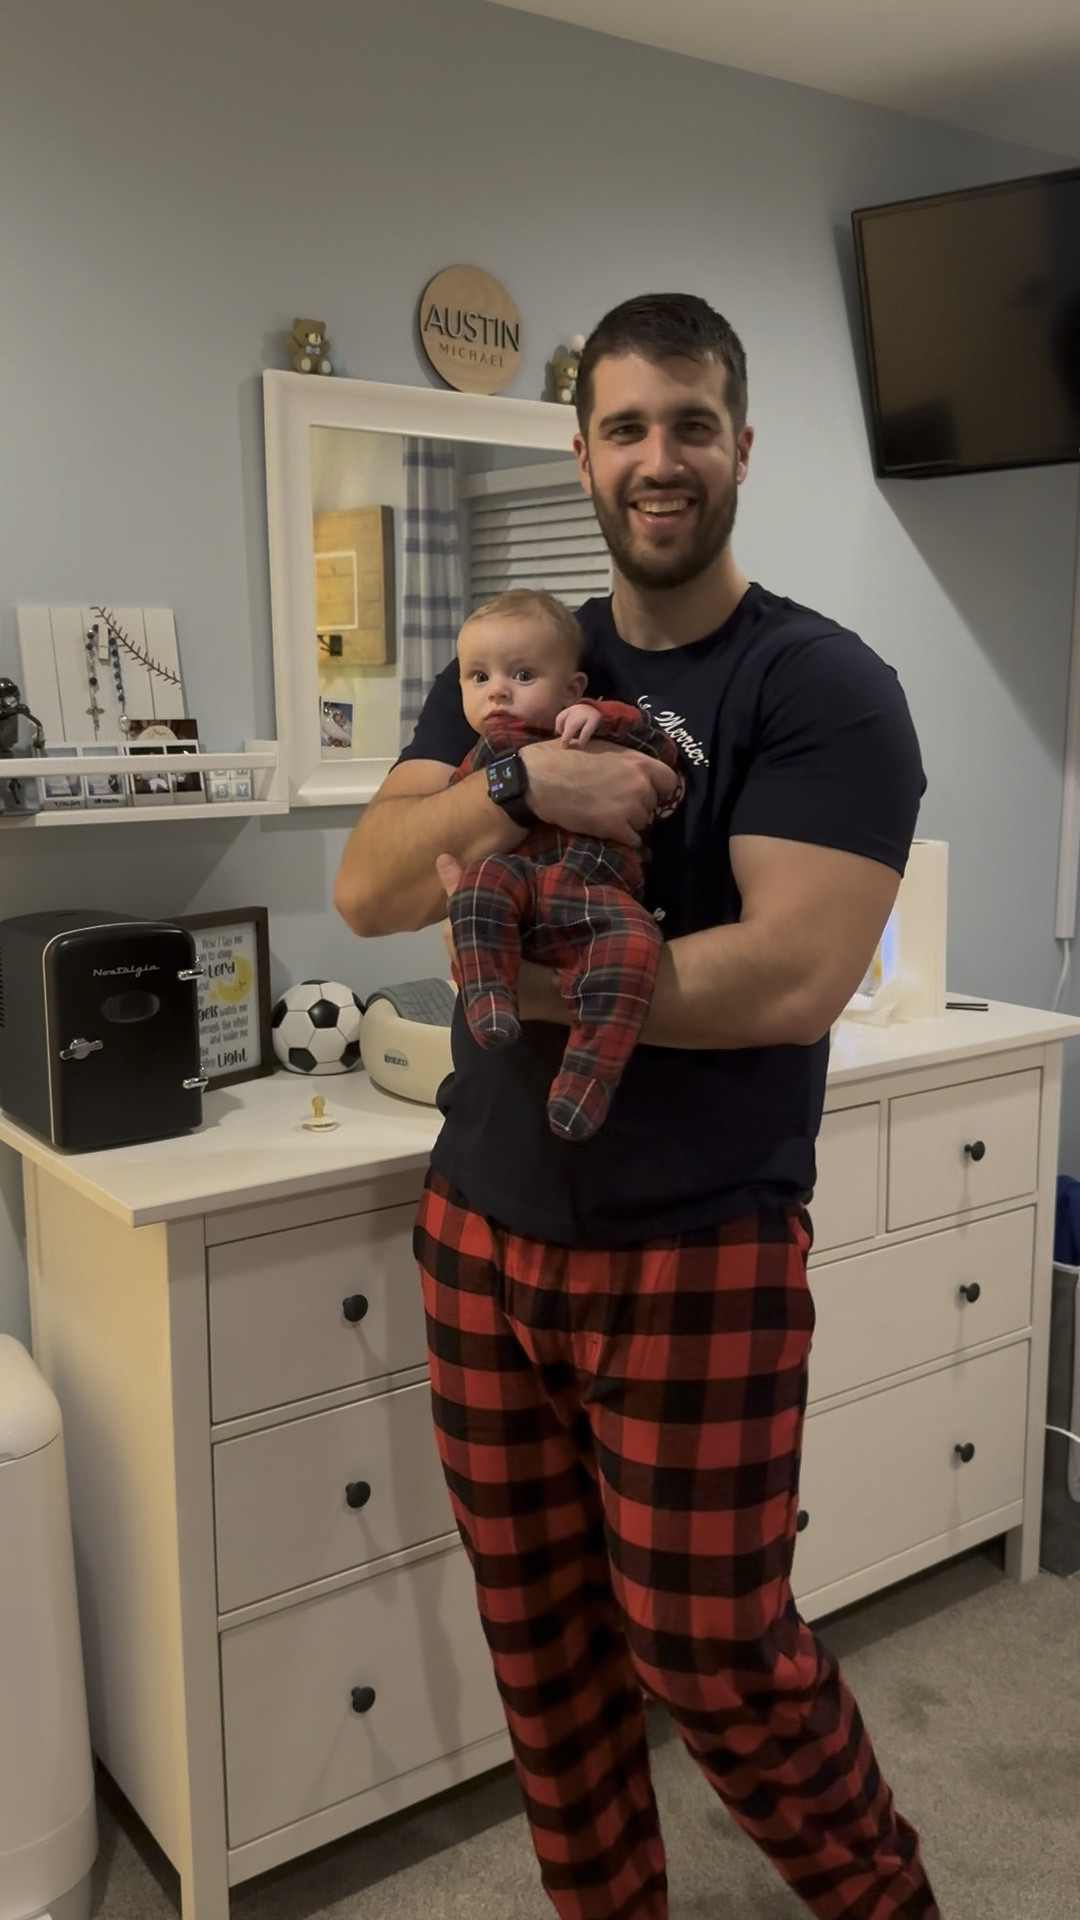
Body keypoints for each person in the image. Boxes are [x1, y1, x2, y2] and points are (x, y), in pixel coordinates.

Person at [334, 293, 938, 1920]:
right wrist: (526, 779)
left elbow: (791, 975)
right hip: (481, 1230)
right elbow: (369, 882)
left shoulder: (821, 685)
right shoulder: (521, 662)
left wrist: (532, 986)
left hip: (699, 1252)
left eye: (689, 423)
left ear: (741, 446)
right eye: (623, 425)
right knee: (540, 1652)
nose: (655, 457)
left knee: (710, 1653)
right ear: (582, 450)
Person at [447, 586, 684, 1140]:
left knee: (637, 944)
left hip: (598, 895)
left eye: (523, 676)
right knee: (479, 884)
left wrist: (597, 719)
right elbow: (452, 830)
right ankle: (489, 998)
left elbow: (661, 756)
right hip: (524, 892)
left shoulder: (589, 722)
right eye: (478, 678)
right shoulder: (475, 759)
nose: (498, 692)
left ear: (572, 687)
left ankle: (588, 1079)